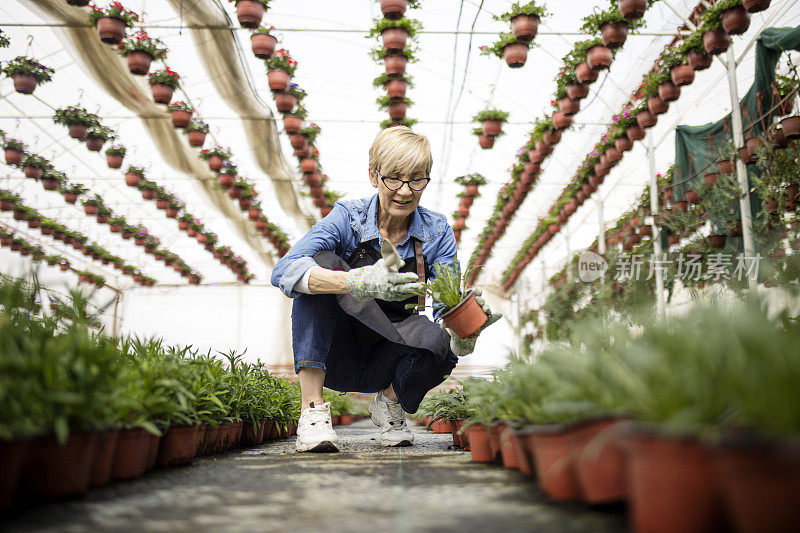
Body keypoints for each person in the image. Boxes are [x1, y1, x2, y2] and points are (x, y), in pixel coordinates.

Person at [270, 126, 500, 452]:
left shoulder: (436, 231)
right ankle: (312, 411)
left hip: (390, 355)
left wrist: (464, 330)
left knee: (438, 341)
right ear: (373, 176)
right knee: (316, 272)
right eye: (394, 178)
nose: (405, 191)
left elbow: (447, 306)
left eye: (417, 179)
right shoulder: (347, 218)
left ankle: (389, 402)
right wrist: (354, 282)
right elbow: (283, 269)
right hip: (338, 351)